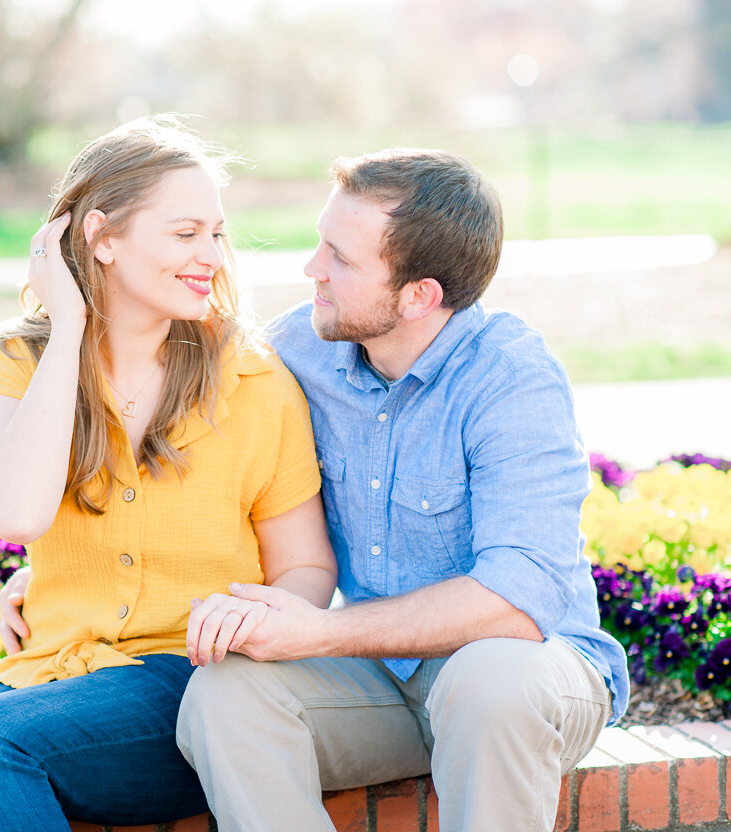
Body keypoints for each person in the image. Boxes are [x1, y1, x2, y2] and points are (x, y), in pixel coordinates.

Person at [0, 117, 337, 832]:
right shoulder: (12, 365)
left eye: (216, 233)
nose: (211, 256)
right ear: (102, 238)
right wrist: (68, 330)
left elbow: (307, 569)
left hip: (193, 687)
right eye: (185, 233)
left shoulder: (254, 379)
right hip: (46, 675)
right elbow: (16, 515)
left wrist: (256, 615)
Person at [174, 148, 630, 832]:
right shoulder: (299, 351)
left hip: (533, 677)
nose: (311, 270)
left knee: (490, 684)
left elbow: (518, 599)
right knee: (225, 696)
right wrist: (64, 570)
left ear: (420, 295)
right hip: (382, 681)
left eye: (341, 260)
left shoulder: (511, 378)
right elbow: (191, 462)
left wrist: (323, 632)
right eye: (322, 243)